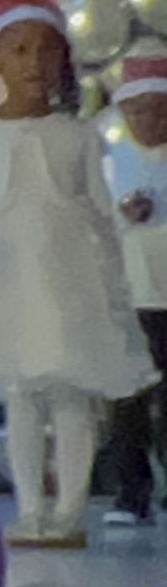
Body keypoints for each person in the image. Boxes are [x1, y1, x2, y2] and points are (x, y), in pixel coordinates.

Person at [0, 0, 151, 550]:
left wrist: (111, 279)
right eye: (20, 49)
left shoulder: (77, 138)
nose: (35, 62)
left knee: (72, 395)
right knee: (22, 397)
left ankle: (69, 509)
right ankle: (29, 508)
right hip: (6, 288)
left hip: (68, 287)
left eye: (47, 49)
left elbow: (102, 217)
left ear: (64, 61)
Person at [103, 43, 167, 529]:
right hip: (129, 301)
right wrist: (123, 218)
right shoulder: (110, 163)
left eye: (158, 110)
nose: (148, 121)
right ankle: (132, 494)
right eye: (138, 111)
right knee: (127, 406)